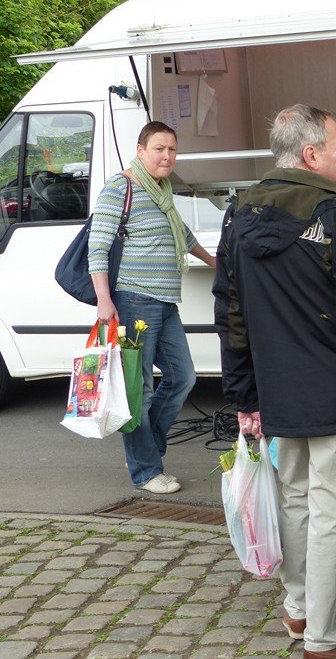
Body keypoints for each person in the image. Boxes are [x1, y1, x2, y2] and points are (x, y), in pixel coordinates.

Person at [214, 104, 336, 659]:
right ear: (312, 153)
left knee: (296, 501)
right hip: (333, 391)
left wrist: (245, 393)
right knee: (329, 512)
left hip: (277, 390)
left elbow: (231, 312)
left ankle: (299, 613)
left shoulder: (240, 212)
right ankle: (322, 638)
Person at [88, 121, 215, 494]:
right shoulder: (121, 186)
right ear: (141, 151)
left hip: (164, 301)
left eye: (172, 149)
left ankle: (146, 450)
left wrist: (217, 263)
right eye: (159, 149)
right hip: (132, 300)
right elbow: (97, 246)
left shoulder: (162, 190)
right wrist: (104, 301)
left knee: (183, 377)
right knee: (137, 390)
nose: (167, 156)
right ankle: (145, 470)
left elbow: (182, 235)